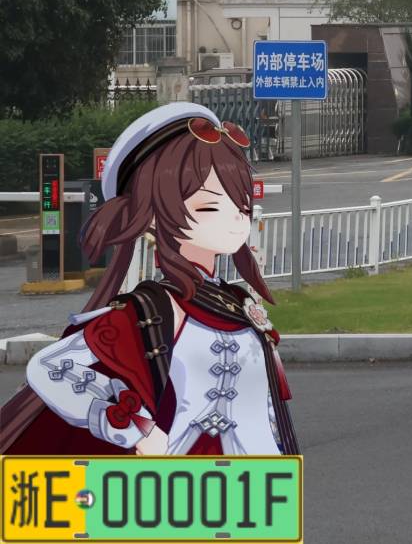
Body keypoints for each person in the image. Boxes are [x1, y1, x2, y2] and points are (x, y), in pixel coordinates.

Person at [0, 102, 298, 456]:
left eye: (242, 206)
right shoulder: (153, 309)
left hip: (252, 488)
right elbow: (52, 367)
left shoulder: (240, 304)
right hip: (168, 487)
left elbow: (263, 407)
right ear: (153, 215)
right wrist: (135, 428)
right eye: (208, 206)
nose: (235, 219)